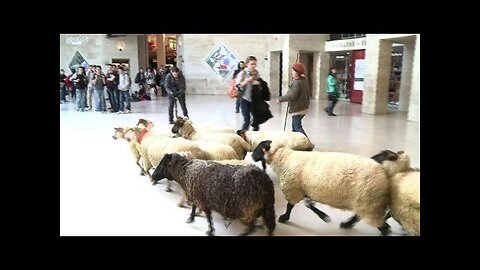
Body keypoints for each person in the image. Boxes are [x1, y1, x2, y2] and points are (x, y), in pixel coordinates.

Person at [275, 62, 310, 137]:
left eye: (293, 71)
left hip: (298, 108)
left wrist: (280, 99)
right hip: (303, 106)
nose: (292, 72)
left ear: (298, 72)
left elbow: (292, 95)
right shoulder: (304, 80)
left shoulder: (297, 83)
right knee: (294, 127)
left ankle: (306, 141)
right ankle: (296, 141)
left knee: (297, 127)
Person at [236, 56, 265, 131]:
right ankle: (242, 136)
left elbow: (260, 83)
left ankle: (255, 136)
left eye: (255, 64)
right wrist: (247, 81)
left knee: (256, 120)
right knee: (247, 120)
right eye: (252, 64)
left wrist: (258, 83)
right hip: (244, 99)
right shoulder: (242, 73)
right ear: (247, 64)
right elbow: (238, 86)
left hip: (254, 99)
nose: (253, 66)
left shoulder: (256, 72)